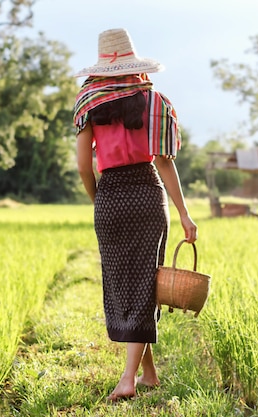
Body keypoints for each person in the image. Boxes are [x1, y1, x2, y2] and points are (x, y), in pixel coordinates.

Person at [73, 28, 198, 402]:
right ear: (133, 63)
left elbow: (83, 166)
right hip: (146, 194)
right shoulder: (155, 101)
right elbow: (163, 161)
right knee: (146, 284)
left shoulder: (88, 103)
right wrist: (185, 214)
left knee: (123, 284)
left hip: (110, 195)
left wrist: (100, 200)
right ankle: (136, 377)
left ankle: (139, 376)